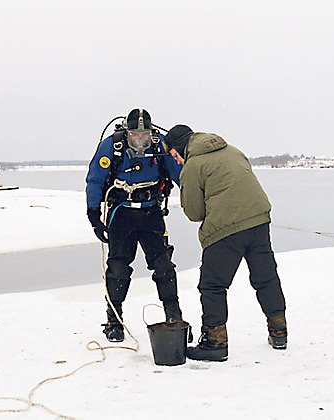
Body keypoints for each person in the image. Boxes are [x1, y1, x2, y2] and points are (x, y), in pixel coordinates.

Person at [163, 125, 287, 362]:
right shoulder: (233, 150)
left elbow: (194, 212)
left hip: (226, 228)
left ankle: (215, 343)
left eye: (175, 155)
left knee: (212, 286)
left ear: (180, 148)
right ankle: (279, 332)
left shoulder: (192, 167)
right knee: (266, 278)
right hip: (259, 220)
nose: (176, 161)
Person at [85, 109, 184, 342]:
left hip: (151, 211)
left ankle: (174, 316)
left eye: (144, 135)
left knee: (164, 265)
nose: (140, 140)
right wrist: (93, 213)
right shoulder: (112, 147)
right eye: (135, 135)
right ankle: (114, 320)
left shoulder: (161, 147)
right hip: (121, 213)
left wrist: (200, 197)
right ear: (127, 133)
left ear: (151, 133)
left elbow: (180, 175)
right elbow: (95, 178)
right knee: (118, 268)